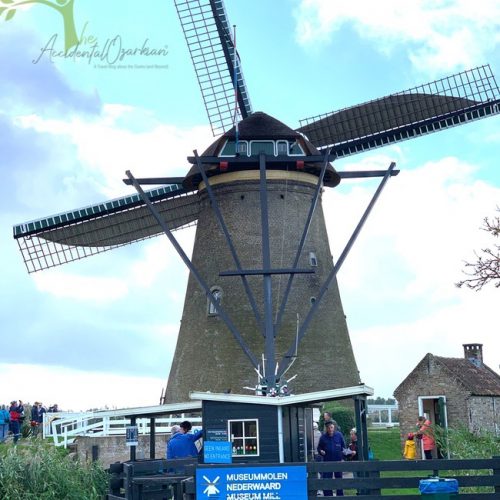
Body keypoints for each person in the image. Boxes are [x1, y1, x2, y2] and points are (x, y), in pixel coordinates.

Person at [317, 420, 345, 497]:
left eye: (331, 427)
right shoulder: (323, 437)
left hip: (338, 461)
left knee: (339, 479)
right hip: (327, 462)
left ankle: (340, 496)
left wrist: (343, 458)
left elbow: (343, 447)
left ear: (334, 427)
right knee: (327, 479)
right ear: (326, 428)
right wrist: (321, 451)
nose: (330, 429)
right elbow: (319, 448)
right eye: (328, 428)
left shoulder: (339, 435)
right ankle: (328, 496)